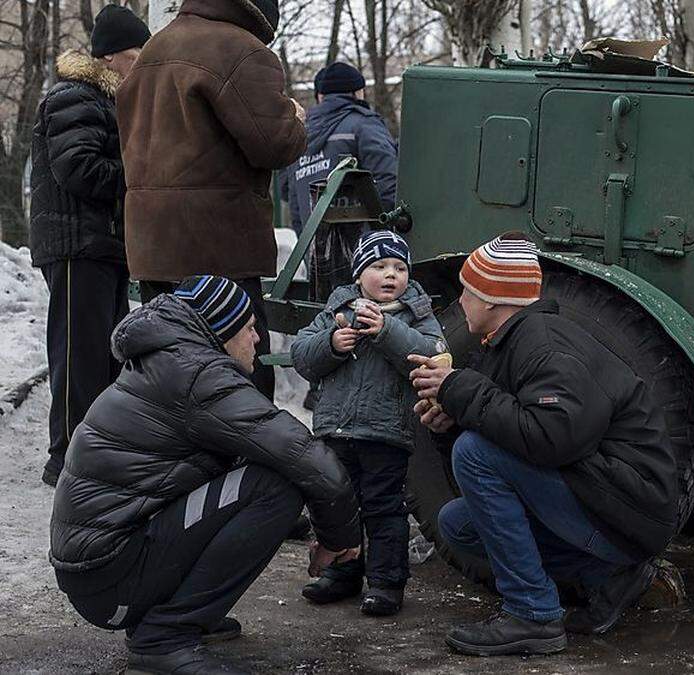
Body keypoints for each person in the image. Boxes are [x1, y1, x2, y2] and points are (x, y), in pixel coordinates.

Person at [49, 275, 360, 675]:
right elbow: (305, 455)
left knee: (259, 465)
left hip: (100, 571)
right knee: (275, 487)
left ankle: (176, 616)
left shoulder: (171, 363)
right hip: (110, 576)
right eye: (250, 328)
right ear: (223, 330)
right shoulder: (197, 375)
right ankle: (164, 637)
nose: (258, 339)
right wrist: (341, 538)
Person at [409, 234, 678, 656]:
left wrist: (460, 389)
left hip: (629, 506)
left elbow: (552, 439)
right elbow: (510, 437)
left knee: (474, 454)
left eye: (468, 291)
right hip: (610, 503)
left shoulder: (546, 344)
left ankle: (532, 615)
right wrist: (450, 422)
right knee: (457, 524)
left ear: (493, 299)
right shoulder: (512, 344)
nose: (460, 301)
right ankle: (610, 577)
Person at [116, 0, 307, 400]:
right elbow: (273, 145)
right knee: (239, 376)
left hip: (154, 247)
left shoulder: (153, 49)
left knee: (169, 373)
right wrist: (295, 118)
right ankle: (243, 462)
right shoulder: (242, 50)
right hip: (218, 248)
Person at [291, 230, 443, 616]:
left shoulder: (416, 314)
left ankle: (386, 583)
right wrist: (331, 343)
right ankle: (342, 574)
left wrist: (387, 330)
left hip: (385, 432)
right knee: (337, 506)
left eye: (399, 267)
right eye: (379, 266)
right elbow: (302, 356)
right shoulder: (337, 308)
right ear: (359, 275)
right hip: (335, 430)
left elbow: (433, 355)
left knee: (384, 508)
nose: (391, 274)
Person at [28, 5, 149, 488]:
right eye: (137, 56)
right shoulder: (74, 96)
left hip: (98, 245)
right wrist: (138, 181)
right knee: (79, 354)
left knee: (99, 354)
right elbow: (78, 169)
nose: (141, 67)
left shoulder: (100, 100)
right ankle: (66, 457)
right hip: (77, 244)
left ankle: (88, 450)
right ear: (115, 57)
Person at [283, 62, 397, 234]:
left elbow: (293, 201)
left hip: (315, 251)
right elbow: (389, 184)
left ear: (321, 96)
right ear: (358, 92)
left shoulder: (298, 134)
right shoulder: (363, 125)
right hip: (368, 252)